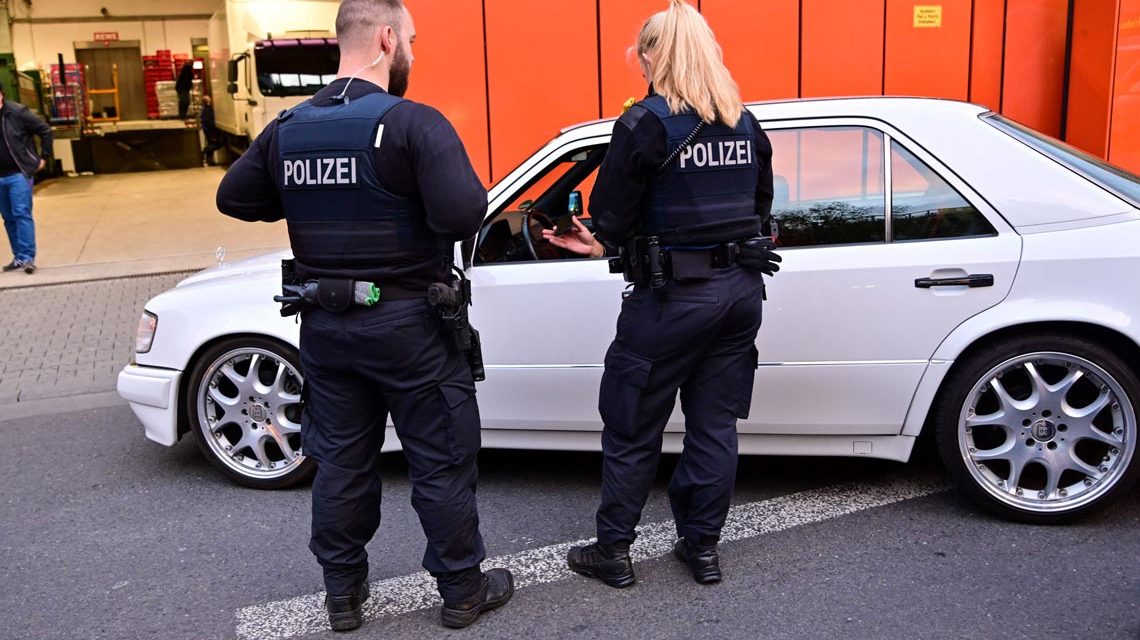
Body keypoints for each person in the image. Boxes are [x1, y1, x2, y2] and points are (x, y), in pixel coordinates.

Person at [215, 0, 513, 632]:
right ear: (386, 39)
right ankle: (462, 591)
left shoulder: (288, 127)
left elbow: (235, 197)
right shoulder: (412, 123)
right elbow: (464, 217)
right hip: (411, 329)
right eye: (411, 39)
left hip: (326, 329)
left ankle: (343, 595)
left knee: (343, 463)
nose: (413, 51)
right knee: (441, 460)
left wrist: (304, 200)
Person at [551, 0, 780, 587]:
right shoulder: (744, 122)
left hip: (670, 300)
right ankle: (702, 550)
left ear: (653, 55)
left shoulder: (645, 123)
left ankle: (614, 553)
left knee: (631, 424)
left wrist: (596, 240)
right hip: (738, 298)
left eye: (641, 54)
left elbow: (611, 218)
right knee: (714, 426)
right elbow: (760, 211)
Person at [0, 87, 52, 275]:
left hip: (19, 174)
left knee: (21, 213)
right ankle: (19, 257)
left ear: (1, 94)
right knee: (8, 218)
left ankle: (28, 258)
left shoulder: (17, 112)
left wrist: (43, 157)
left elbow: (44, 130)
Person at [199, 95, 220, 166]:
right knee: (215, 145)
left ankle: (209, 160)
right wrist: (213, 132)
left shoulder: (204, 109)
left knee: (211, 144)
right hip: (211, 131)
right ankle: (204, 152)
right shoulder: (208, 109)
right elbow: (210, 122)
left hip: (208, 130)